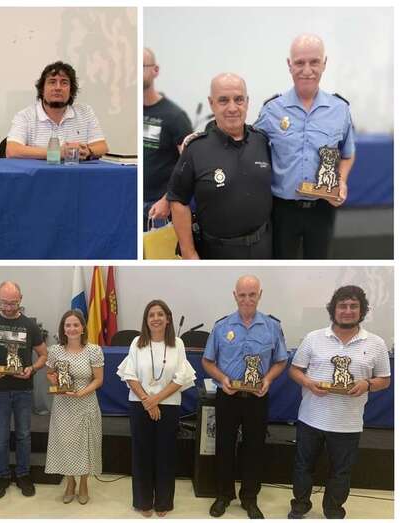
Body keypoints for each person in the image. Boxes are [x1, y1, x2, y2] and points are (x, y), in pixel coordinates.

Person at [287, 285, 390, 519]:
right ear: (333, 309)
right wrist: (309, 383)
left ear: (362, 310)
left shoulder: (376, 343)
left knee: (341, 472)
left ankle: (333, 511)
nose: (347, 310)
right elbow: (294, 370)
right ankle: (300, 506)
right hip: (311, 418)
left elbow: (384, 380)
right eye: (342, 305)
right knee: (303, 467)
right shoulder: (314, 338)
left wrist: (367, 384)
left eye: (354, 306)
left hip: (348, 423)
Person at [255, 34, 355, 259]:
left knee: (319, 263)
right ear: (289, 65)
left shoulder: (340, 109)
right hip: (282, 210)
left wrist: (341, 181)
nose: (307, 70)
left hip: (322, 208)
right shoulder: (272, 110)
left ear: (324, 63)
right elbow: (247, 143)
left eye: (314, 62)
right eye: (299, 62)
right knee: (281, 265)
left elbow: (348, 154)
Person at [202, 275, 288, 519]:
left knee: (254, 448)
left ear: (260, 295)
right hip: (228, 396)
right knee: (224, 446)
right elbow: (207, 361)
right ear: (235, 296)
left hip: (257, 398)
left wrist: (268, 379)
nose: (247, 299)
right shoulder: (222, 326)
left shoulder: (272, 326)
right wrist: (222, 378)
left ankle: (250, 498)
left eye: (252, 294)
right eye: (242, 295)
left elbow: (281, 360)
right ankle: (223, 495)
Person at [167, 73, 273, 259]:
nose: (232, 108)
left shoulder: (262, 140)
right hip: (215, 251)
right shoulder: (195, 148)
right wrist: (189, 252)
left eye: (239, 100)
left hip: (263, 247)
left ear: (247, 102)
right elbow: (178, 200)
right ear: (211, 103)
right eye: (223, 100)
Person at [116, 300, 195, 517]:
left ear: (168, 318)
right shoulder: (136, 343)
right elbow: (129, 374)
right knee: (142, 454)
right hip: (139, 404)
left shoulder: (177, 343)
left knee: (165, 455)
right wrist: (146, 400)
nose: (156, 318)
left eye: (160, 314)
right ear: (146, 320)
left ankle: (163, 503)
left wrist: (156, 399)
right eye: (151, 314)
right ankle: (143, 501)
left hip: (168, 406)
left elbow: (182, 377)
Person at [0, 281, 48, 499]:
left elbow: (44, 354)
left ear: (20, 299)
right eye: (4, 303)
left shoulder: (30, 325)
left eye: (13, 303)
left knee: (24, 435)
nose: (9, 307)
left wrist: (32, 368)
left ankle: (23, 474)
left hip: (23, 389)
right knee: (0, 437)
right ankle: (2, 475)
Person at [44, 309, 104, 505]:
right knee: (66, 444)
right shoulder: (55, 350)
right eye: (68, 325)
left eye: (75, 325)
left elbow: (99, 380)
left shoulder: (93, 350)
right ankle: (70, 483)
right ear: (63, 328)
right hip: (63, 405)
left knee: (84, 445)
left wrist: (81, 393)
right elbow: (50, 373)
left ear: (83, 328)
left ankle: (84, 483)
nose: (71, 328)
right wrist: (53, 379)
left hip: (85, 403)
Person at [6, 61, 109, 160]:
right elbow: (12, 150)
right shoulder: (25, 116)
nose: (58, 88)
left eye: (64, 83)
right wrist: (58, 153)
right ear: (42, 89)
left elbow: (102, 147)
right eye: (52, 82)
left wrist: (89, 151)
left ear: (71, 90)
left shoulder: (85, 112)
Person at [143, 48, 193, 231]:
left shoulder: (174, 116)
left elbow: (189, 164)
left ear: (155, 70)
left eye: (142, 66)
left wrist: (167, 199)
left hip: (158, 208)